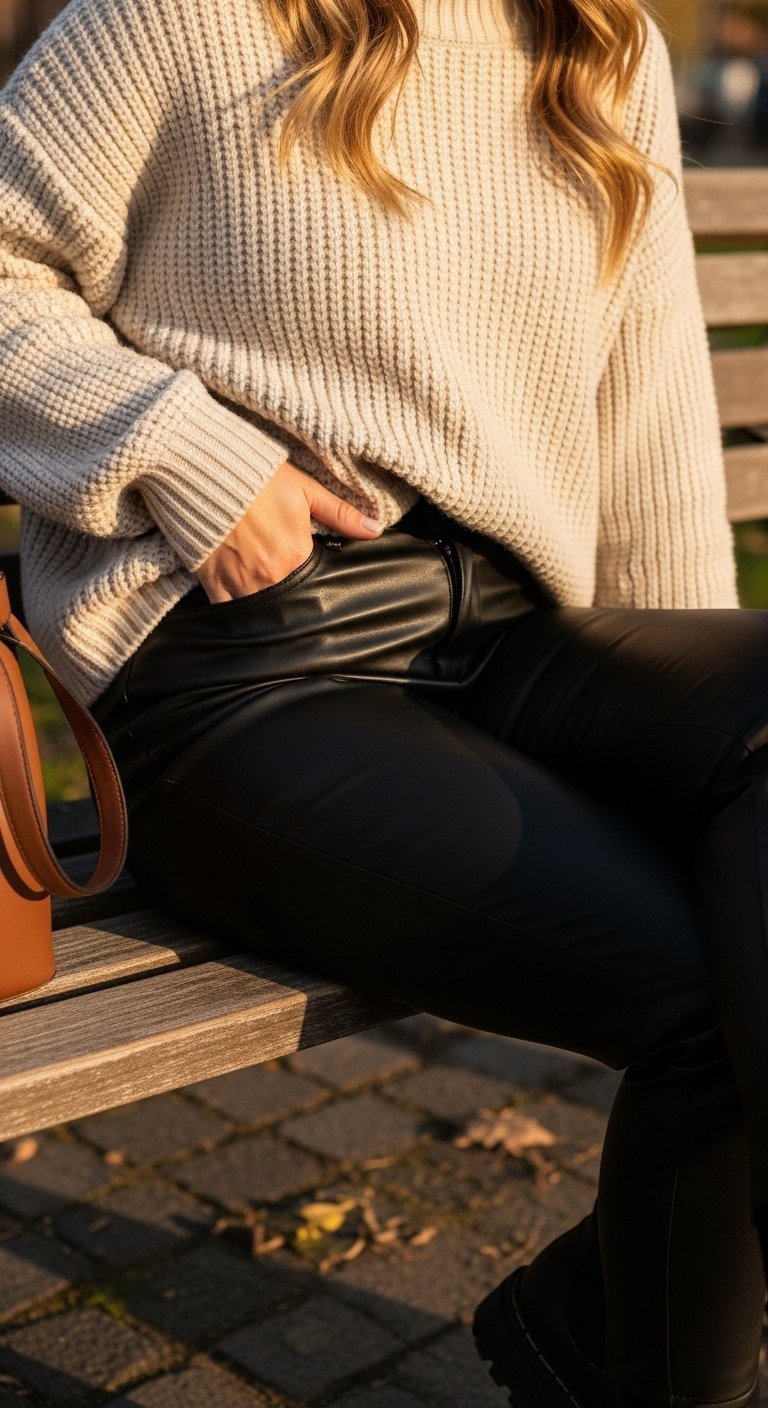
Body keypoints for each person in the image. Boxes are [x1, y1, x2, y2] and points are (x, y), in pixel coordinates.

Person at [1, 0, 767, 1401]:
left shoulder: (600, 44)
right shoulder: (178, 17)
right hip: (252, 669)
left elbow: (648, 401)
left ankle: (611, 1334)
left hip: (529, 640)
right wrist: (177, 448)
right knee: (707, 998)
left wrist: (689, 726)